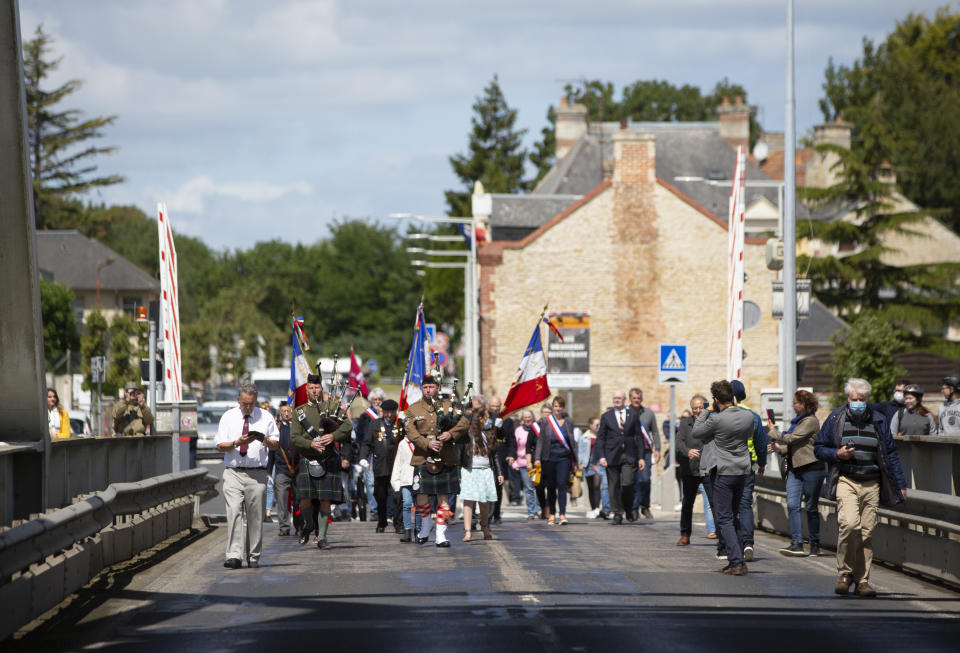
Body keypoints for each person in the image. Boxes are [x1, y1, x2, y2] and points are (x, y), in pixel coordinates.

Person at [815, 377, 907, 597]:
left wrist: (900, 483)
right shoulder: (836, 418)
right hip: (846, 479)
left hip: (872, 482)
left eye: (862, 399)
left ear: (868, 399)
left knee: (866, 533)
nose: (858, 402)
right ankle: (844, 573)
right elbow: (819, 447)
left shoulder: (879, 420)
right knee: (849, 525)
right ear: (848, 398)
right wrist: (836, 454)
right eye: (854, 399)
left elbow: (891, 454)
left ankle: (862, 580)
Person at [692, 380, 754, 576]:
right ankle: (737, 559)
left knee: (724, 519)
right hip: (742, 471)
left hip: (724, 472)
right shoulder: (748, 416)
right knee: (733, 516)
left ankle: (736, 561)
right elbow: (750, 435)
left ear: (716, 399)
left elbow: (697, 431)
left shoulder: (717, 419)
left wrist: (707, 410)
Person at [215, 383, 279, 569]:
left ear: (255, 401)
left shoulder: (265, 417)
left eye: (251, 404)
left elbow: (276, 444)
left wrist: (265, 440)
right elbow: (220, 445)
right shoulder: (228, 417)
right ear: (238, 401)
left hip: (257, 474)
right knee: (234, 511)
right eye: (244, 404)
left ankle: (253, 556)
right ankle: (234, 555)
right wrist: (237, 442)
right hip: (234, 472)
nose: (248, 407)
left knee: (255, 516)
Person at [290, 373, 354, 549]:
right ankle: (309, 525)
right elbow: (294, 437)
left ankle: (322, 537)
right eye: (311, 388)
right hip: (308, 459)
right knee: (305, 499)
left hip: (328, 459)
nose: (314, 391)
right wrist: (310, 443)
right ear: (307, 389)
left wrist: (333, 436)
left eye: (317, 387)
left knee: (325, 499)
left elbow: (348, 426)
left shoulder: (331, 407)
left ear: (321, 388)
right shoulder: (299, 412)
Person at [404, 375, 469, 547]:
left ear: (438, 388)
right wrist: (426, 443)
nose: (428, 390)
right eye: (425, 387)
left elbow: (464, 423)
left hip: (445, 456)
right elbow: (410, 431)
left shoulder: (448, 406)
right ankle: (426, 525)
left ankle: (441, 534)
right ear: (422, 389)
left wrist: (451, 434)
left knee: (444, 497)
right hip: (422, 456)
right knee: (421, 496)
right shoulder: (413, 409)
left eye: (431, 387)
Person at [767, 390, 825, 556]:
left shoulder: (811, 421)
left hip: (811, 468)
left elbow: (792, 438)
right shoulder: (797, 422)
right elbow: (796, 445)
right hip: (795, 468)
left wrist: (774, 431)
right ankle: (797, 542)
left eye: (796, 402)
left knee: (811, 507)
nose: (793, 405)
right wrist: (780, 449)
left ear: (805, 404)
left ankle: (815, 543)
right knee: (793, 505)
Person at [729, 380, 767, 562]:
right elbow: (761, 443)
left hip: (728, 466)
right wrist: (762, 462)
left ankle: (732, 544)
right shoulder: (753, 416)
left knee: (728, 506)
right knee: (745, 505)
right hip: (748, 464)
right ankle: (748, 543)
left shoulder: (724, 415)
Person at [596, 390, 645, 525]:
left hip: (629, 455)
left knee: (628, 483)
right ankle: (617, 513)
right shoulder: (606, 416)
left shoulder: (633, 415)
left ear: (624, 400)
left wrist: (641, 457)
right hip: (611, 455)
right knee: (613, 485)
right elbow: (600, 438)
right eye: (614, 398)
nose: (616, 400)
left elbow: (639, 437)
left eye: (619, 398)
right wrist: (601, 456)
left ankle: (628, 508)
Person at [461, 398, 504, 541]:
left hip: (486, 470)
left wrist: (499, 472)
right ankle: (467, 531)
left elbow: (495, 454)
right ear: (479, 419)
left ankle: (485, 527)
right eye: (486, 418)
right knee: (468, 501)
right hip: (470, 470)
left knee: (484, 501)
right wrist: (458, 472)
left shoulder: (490, 433)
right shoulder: (468, 433)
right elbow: (459, 453)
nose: (488, 420)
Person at [534, 395, 578, 526]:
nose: (557, 409)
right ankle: (552, 513)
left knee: (561, 484)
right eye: (555, 406)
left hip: (564, 458)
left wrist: (575, 460)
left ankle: (563, 514)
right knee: (551, 486)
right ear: (553, 407)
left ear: (563, 407)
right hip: (549, 458)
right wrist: (537, 458)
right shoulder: (547, 421)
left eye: (560, 406)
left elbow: (572, 442)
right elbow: (540, 441)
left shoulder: (568, 421)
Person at [360, 399, 400, 533]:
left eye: (392, 412)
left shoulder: (400, 425)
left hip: (396, 466)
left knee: (397, 496)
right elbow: (367, 443)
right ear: (382, 412)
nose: (389, 415)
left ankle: (398, 523)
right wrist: (363, 458)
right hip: (380, 465)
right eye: (386, 412)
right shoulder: (375, 424)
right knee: (380, 495)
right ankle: (382, 521)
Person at [676, 394, 708, 545]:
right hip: (690, 469)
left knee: (715, 503)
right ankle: (685, 534)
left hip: (708, 468)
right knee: (687, 503)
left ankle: (721, 535)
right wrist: (688, 451)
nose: (698, 411)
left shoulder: (711, 422)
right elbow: (679, 442)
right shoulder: (685, 424)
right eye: (695, 408)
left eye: (701, 407)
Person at [626, 388, 660, 520]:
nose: (636, 400)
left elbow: (655, 432)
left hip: (645, 451)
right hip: (629, 451)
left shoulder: (648, 413)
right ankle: (633, 509)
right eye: (634, 398)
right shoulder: (625, 413)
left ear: (642, 399)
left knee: (645, 479)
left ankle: (644, 506)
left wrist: (657, 449)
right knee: (632, 481)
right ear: (630, 398)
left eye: (638, 398)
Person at [506, 409, 540, 519]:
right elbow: (515, 446)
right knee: (529, 488)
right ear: (522, 419)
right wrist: (514, 460)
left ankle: (539, 509)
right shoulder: (518, 430)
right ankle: (531, 512)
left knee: (538, 487)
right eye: (525, 417)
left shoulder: (537, 428)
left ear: (533, 417)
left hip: (536, 462)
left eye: (529, 416)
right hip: (523, 463)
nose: (527, 419)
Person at [269, 402, 297, 536]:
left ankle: (300, 525)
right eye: (284, 411)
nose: (286, 413)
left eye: (288, 411)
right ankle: (284, 526)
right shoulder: (277, 429)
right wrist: (269, 472)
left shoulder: (298, 427)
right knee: (282, 499)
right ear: (280, 414)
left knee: (299, 499)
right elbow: (271, 451)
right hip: (282, 469)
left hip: (298, 469)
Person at [356, 387, 384, 522]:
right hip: (370, 454)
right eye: (375, 399)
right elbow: (359, 436)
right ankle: (374, 511)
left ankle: (384, 510)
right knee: (371, 483)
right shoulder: (365, 417)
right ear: (370, 401)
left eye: (379, 399)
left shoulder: (387, 415)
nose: (377, 402)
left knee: (384, 482)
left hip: (384, 454)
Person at [486, 395, 513, 524]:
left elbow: (510, 439)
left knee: (498, 486)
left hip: (500, 455)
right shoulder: (484, 418)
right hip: (487, 455)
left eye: (497, 406)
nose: (495, 409)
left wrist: (511, 454)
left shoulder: (506, 420)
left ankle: (496, 514)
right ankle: (487, 514)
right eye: (493, 406)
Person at [390, 422, 418, 542]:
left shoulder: (421, 442)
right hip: (406, 478)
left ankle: (418, 530)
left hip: (418, 478)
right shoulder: (402, 443)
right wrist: (395, 481)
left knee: (419, 506)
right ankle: (407, 531)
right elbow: (398, 463)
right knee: (406, 504)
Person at [579, 416, 602, 518]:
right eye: (597, 425)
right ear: (591, 426)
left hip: (598, 462)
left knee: (597, 485)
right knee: (590, 487)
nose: (599, 427)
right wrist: (579, 465)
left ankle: (597, 508)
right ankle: (593, 508)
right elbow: (580, 452)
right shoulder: (584, 437)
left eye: (599, 424)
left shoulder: (602, 436)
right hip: (587, 462)